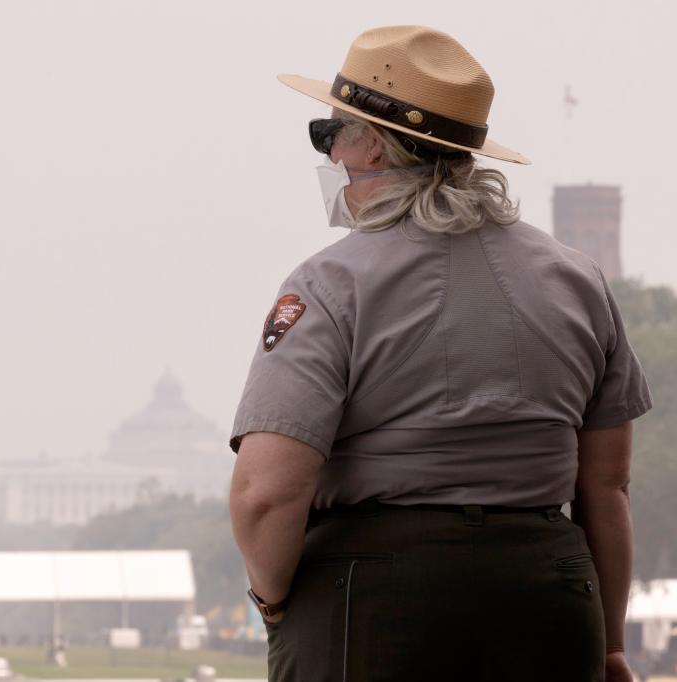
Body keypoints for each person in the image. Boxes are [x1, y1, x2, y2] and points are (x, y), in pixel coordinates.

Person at [228, 25, 652, 682]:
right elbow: (605, 486)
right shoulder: (577, 281)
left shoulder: (328, 284)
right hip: (548, 592)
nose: (330, 152)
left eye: (330, 133)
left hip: (372, 594)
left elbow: (265, 492)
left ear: (372, 143)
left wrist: (274, 599)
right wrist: (608, 644)